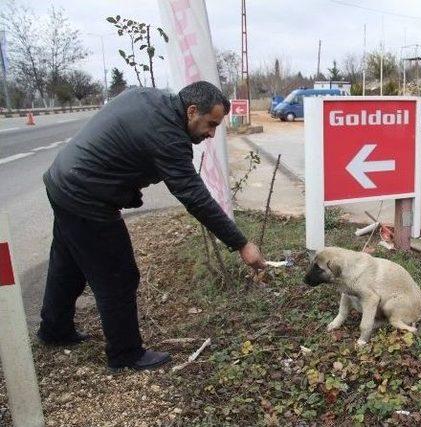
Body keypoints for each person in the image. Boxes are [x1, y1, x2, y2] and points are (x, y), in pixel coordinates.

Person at [37, 81, 266, 371]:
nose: (211, 133)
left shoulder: (151, 98)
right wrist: (241, 244)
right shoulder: (167, 135)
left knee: (67, 263)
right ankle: (125, 354)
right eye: (210, 124)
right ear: (192, 110)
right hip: (86, 197)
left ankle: (54, 329)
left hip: (62, 181)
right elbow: (194, 197)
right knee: (119, 276)